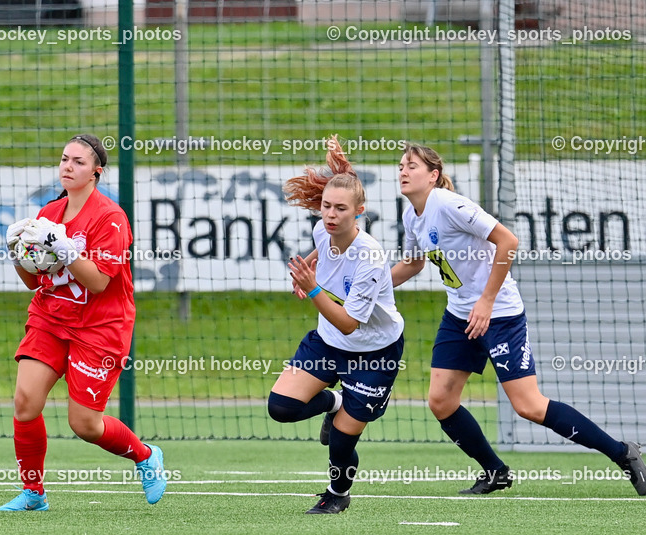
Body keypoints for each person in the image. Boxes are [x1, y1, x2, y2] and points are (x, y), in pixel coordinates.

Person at [391, 142, 645, 494]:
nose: (403, 170)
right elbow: (414, 263)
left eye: (412, 166)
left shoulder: (449, 204)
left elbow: (508, 241)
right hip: (460, 315)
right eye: (401, 165)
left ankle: (623, 453)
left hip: (500, 315)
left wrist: (486, 301)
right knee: (440, 401)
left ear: (433, 176)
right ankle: (495, 471)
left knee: (528, 405)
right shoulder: (410, 215)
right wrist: (369, 287)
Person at [0, 133, 165, 511]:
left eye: (78, 162)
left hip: (100, 326)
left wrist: (67, 250)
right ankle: (33, 493)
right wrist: (15, 253)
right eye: (64, 160)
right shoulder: (47, 214)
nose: (68, 167)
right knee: (25, 402)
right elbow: (35, 281)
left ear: (96, 172)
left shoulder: (111, 217)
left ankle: (145, 456)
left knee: (84, 424)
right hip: (50, 317)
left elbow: (99, 282)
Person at [267, 136, 405, 514]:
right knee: (281, 407)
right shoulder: (321, 231)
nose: (330, 215)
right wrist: (309, 268)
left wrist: (312, 290)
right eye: (326, 206)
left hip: (373, 350)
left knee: (341, 443)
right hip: (329, 342)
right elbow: (321, 251)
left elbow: (348, 323)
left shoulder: (371, 257)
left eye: (340, 209)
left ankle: (337, 494)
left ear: (358, 212)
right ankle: (336, 401)